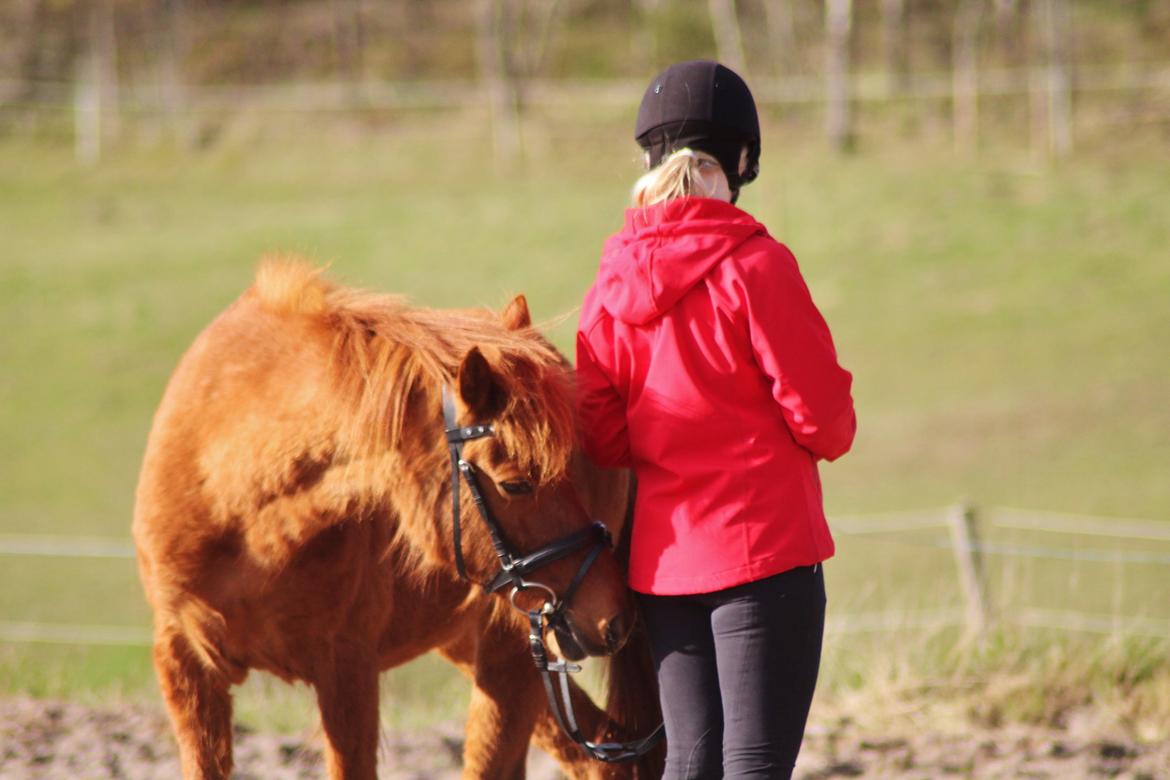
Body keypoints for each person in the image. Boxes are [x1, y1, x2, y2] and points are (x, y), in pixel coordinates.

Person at [575, 60, 856, 779]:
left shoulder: (607, 287)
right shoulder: (758, 266)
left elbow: (605, 438)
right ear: (737, 162)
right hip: (767, 558)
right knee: (755, 764)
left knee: (691, 762)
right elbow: (827, 424)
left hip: (665, 567)